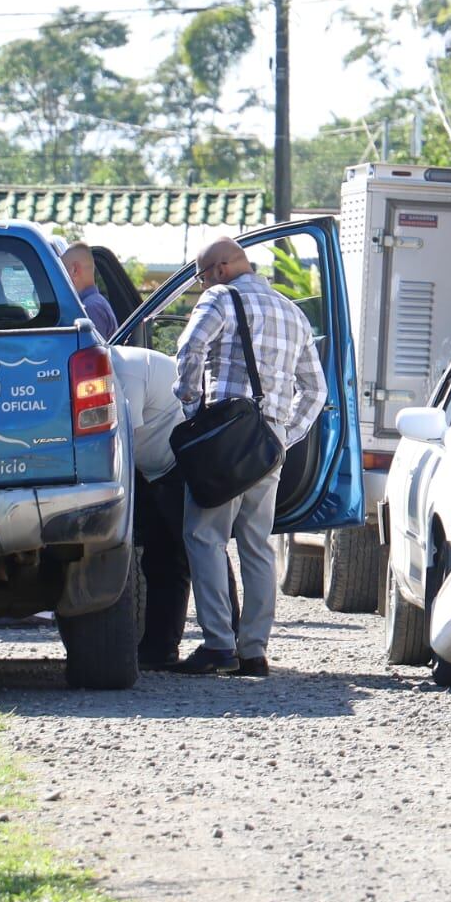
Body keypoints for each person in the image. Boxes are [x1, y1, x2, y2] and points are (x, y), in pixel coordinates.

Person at [171, 238, 325, 677]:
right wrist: (284, 437)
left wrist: (192, 409)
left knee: (204, 536)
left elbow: (189, 349)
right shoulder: (293, 313)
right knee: (258, 546)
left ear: (220, 269)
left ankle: (219, 644)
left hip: (224, 435)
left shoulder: (220, 298)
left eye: (201, 277)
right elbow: (316, 391)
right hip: (267, 444)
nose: (202, 285)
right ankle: (254, 651)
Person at [110, 345, 239, 669]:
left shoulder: (123, 371)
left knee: (203, 551)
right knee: (161, 560)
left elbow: (121, 438)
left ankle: (229, 643)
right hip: (156, 472)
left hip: (180, 467)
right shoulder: (117, 364)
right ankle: (159, 649)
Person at [60, 242, 118, 338]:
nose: (60, 278)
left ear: (74, 270)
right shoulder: (95, 302)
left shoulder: (90, 307)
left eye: (63, 271)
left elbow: (91, 346)